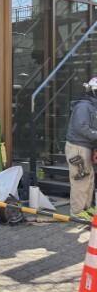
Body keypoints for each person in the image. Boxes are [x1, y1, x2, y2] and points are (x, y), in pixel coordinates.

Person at [65, 77, 97, 221]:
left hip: (86, 146)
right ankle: (77, 212)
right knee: (80, 179)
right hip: (78, 147)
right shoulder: (84, 107)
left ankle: (86, 207)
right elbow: (81, 128)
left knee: (89, 179)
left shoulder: (92, 106)